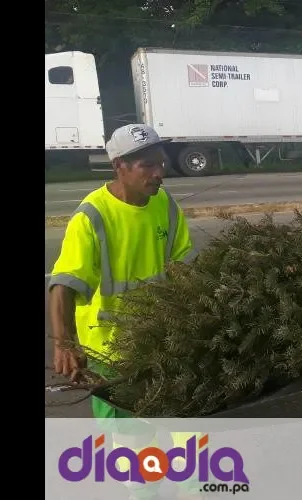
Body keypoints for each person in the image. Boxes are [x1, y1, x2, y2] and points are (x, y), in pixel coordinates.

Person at [48, 124, 201, 499]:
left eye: (161, 164)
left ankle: (194, 489)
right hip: (112, 352)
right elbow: (62, 286)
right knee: (134, 442)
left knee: (191, 429)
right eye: (147, 166)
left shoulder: (164, 204)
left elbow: (182, 262)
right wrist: (65, 343)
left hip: (163, 337)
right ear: (119, 166)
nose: (159, 173)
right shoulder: (93, 217)